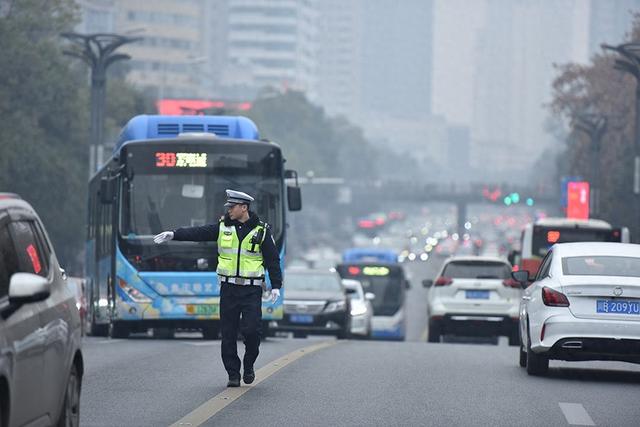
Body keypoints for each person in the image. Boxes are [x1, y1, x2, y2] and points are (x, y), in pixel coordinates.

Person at [153, 189, 282, 387]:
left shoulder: (261, 231)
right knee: (228, 333)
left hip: (251, 291)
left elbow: (273, 260)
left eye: (232, 206)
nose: (229, 209)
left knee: (252, 332)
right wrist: (174, 234)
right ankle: (233, 374)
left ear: (244, 208)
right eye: (228, 206)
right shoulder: (223, 228)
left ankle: (248, 365)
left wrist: (276, 286)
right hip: (229, 289)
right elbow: (199, 232)